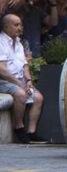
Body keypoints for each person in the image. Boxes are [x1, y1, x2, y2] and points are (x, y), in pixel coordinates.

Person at [0, 14, 45, 143]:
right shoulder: (1, 42)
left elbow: (24, 65)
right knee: (20, 94)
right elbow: (1, 70)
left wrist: (29, 81)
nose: (20, 28)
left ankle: (31, 132)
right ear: (6, 26)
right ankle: (18, 127)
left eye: (21, 25)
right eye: (16, 25)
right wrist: (19, 83)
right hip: (4, 81)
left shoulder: (19, 43)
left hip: (19, 81)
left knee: (38, 97)